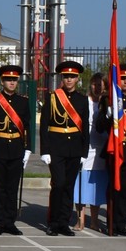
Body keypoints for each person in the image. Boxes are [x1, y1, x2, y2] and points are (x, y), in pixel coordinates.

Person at [0, 64, 30, 236]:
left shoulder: (23, 101)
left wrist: (29, 149)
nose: (11, 83)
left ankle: (10, 222)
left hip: (17, 148)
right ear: (2, 81)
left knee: (12, 188)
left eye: (14, 80)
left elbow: (28, 127)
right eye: (8, 80)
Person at [40, 60, 88, 236]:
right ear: (62, 78)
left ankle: (63, 223)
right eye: (66, 76)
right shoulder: (53, 97)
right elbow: (44, 124)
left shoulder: (82, 100)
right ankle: (53, 222)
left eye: (72, 77)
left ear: (77, 79)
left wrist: (84, 151)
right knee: (58, 184)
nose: (69, 80)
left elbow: (85, 128)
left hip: (74, 148)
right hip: (56, 148)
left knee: (69, 186)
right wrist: (45, 150)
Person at [97, 63, 126, 236]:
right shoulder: (107, 100)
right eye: (122, 79)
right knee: (113, 189)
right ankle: (111, 224)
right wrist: (108, 114)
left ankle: (121, 224)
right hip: (113, 151)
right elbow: (99, 128)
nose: (124, 82)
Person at [73, 73, 109, 231]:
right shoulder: (83, 101)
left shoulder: (107, 103)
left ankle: (94, 221)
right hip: (84, 147)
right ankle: (80, 219)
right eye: (95, 84)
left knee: (96, 188)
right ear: (90, 85)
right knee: (80, 186)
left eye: (101, 84)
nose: (98, 87)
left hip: (101, 150)